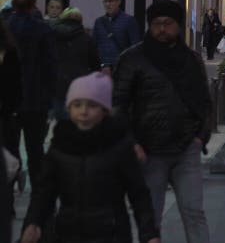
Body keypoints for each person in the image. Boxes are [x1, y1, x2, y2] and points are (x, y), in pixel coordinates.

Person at [113, 0, 212, 243]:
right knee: (150, 217)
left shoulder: (191, 59)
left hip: (187, 147)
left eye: (167, 23)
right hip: (149, 150)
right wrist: (132, 142)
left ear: (178, 26)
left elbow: (204, 100)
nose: (161, 29)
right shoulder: (132, 58)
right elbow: (118, 106)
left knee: (194, 213)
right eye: (156, 24)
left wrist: (201, 136)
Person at [20, 73, 160, 243]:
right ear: (69, 108)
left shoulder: (118, 145)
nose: (83, 112)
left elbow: (138, 194)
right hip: (68, 234)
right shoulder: (61, 144)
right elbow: (44, 192)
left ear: (104, 110)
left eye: (92, 105)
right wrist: (33, 223)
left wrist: (149, 234)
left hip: (111, 234)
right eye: (77, 105)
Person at [5, 0, 56, 192]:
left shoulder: (6, 28)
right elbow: (50, 66)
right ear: (34, 4)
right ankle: (39, 198)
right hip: (35, 99)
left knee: (9, 149)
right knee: (35, 150)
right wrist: (50, 96)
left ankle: (7, 199)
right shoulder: (42, 30)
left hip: (10, 100)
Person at [51, 7, 100, 121]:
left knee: (60, 121)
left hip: (58, 84)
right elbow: (95, 64)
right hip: (80, 85)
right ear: (80, 20)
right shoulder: (86, 38)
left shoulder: (53, 36)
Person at [0, 21, 23, 214]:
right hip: (8, 113)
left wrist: (12, 109)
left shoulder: (10, 53)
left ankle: (7, 201)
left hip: (6, 115)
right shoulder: (11, 52)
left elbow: (16, 85)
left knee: (8, 157)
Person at [92, 0, 140, 74]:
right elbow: (94, 45)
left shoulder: (129, 20)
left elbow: (135, 46)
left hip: (122, 68)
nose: (107, 4)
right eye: (105, 1)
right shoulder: (99, 22)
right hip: (103, 68)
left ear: (118, 2)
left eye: (111, 1)